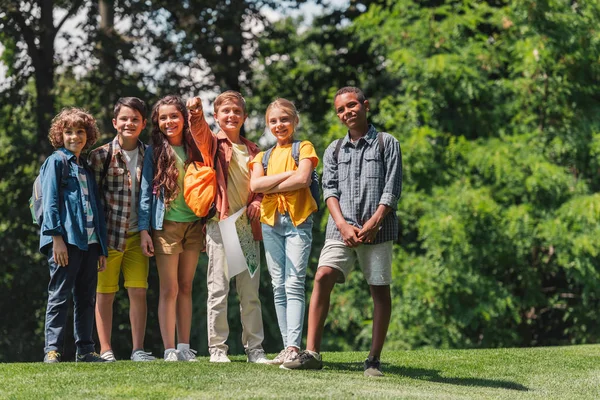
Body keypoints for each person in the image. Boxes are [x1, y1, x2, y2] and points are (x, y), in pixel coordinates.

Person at [282, 87, 402, 377]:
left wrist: (374, 222)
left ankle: (373, 359)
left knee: (379, 290)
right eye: (340, 109)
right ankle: (312, 353)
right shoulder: (334, 149)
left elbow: (392, 188)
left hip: (379, 230)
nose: (346, 112)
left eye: (351, 105)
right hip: (341, 229)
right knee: (323, 275)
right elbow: (329, 190)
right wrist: (343, 225)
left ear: (365, 105)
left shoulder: (387, 143)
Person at [186, 91, 268, 363]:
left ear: (244, 117)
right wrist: (195, 113)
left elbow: (261, 186)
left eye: (236, 112)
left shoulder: (254, 150)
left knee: (249, 294)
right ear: (216, 116)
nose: (231, 116)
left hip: (246, 227)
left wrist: (257, 201)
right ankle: (218, 350)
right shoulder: (214, 144)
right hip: (220, 224)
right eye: (225, 111)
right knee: (218, 290)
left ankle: (255, 350)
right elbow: (199, 133)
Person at [249, 99, 318, 366]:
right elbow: (255, 183)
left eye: (284, 119)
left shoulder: (304, 148)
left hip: (298, 220)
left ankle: (293, 346)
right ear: (268, 124)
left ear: (294, 122)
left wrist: (270, 183)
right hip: (271, 222)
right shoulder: (261, 156)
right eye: (274, 121)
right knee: (278, 286)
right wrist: (286, 177)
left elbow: (303, 180)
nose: (279, 125)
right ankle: (286, 347)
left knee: (294, 283)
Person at [39, 107, 109, 363]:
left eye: (80, 132)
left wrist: (101, 248)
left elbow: (96, 210)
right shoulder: (56, 162)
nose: (75, 137)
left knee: (86, 298)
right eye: (69, 132)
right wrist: (56, 238)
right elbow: (51, 203)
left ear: (87, 135)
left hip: (90, 244)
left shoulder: (86, 167)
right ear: (60, 135)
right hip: (65, 242)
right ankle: (52, 350)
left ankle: (86, 350)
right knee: (59, 296)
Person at [88, 97, 155, 362]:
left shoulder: (150, 154)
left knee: (138, 291)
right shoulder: (100, 155)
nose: (129, 123)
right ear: (115, 123)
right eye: (124, 118)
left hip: (139, 235)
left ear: (143, 124)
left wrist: (148, 229)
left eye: (135, 119)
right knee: (105, 294)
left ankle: (138, 349)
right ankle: (106, 350)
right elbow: (92, 200)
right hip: (108, 238)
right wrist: (96, 241)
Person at [139, 95, 204, 362]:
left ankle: (184, 345)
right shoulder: (153, 152)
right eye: (163, 117)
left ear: (183, 118)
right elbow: (145, 192)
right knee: (170, 289)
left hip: (194, 225)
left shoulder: (196, 148)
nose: (169, 121)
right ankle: (169, 349)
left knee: (187, 286)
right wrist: (144, 229)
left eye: (174, 116)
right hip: (165, 226)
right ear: (157, 121)